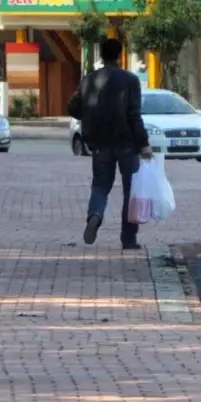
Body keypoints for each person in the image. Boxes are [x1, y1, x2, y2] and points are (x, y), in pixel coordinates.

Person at [68, 39, 152, 251]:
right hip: (127, 144)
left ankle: (95, 215)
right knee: (130, 191)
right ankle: (128, 238)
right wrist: (144, 144)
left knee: (100, 186)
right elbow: (134, 115)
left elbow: (73, 107)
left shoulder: (89, 79)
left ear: (101, 55)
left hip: (99, 143)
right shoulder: (130, 80)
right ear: (120, 54)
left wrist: (89, 113)